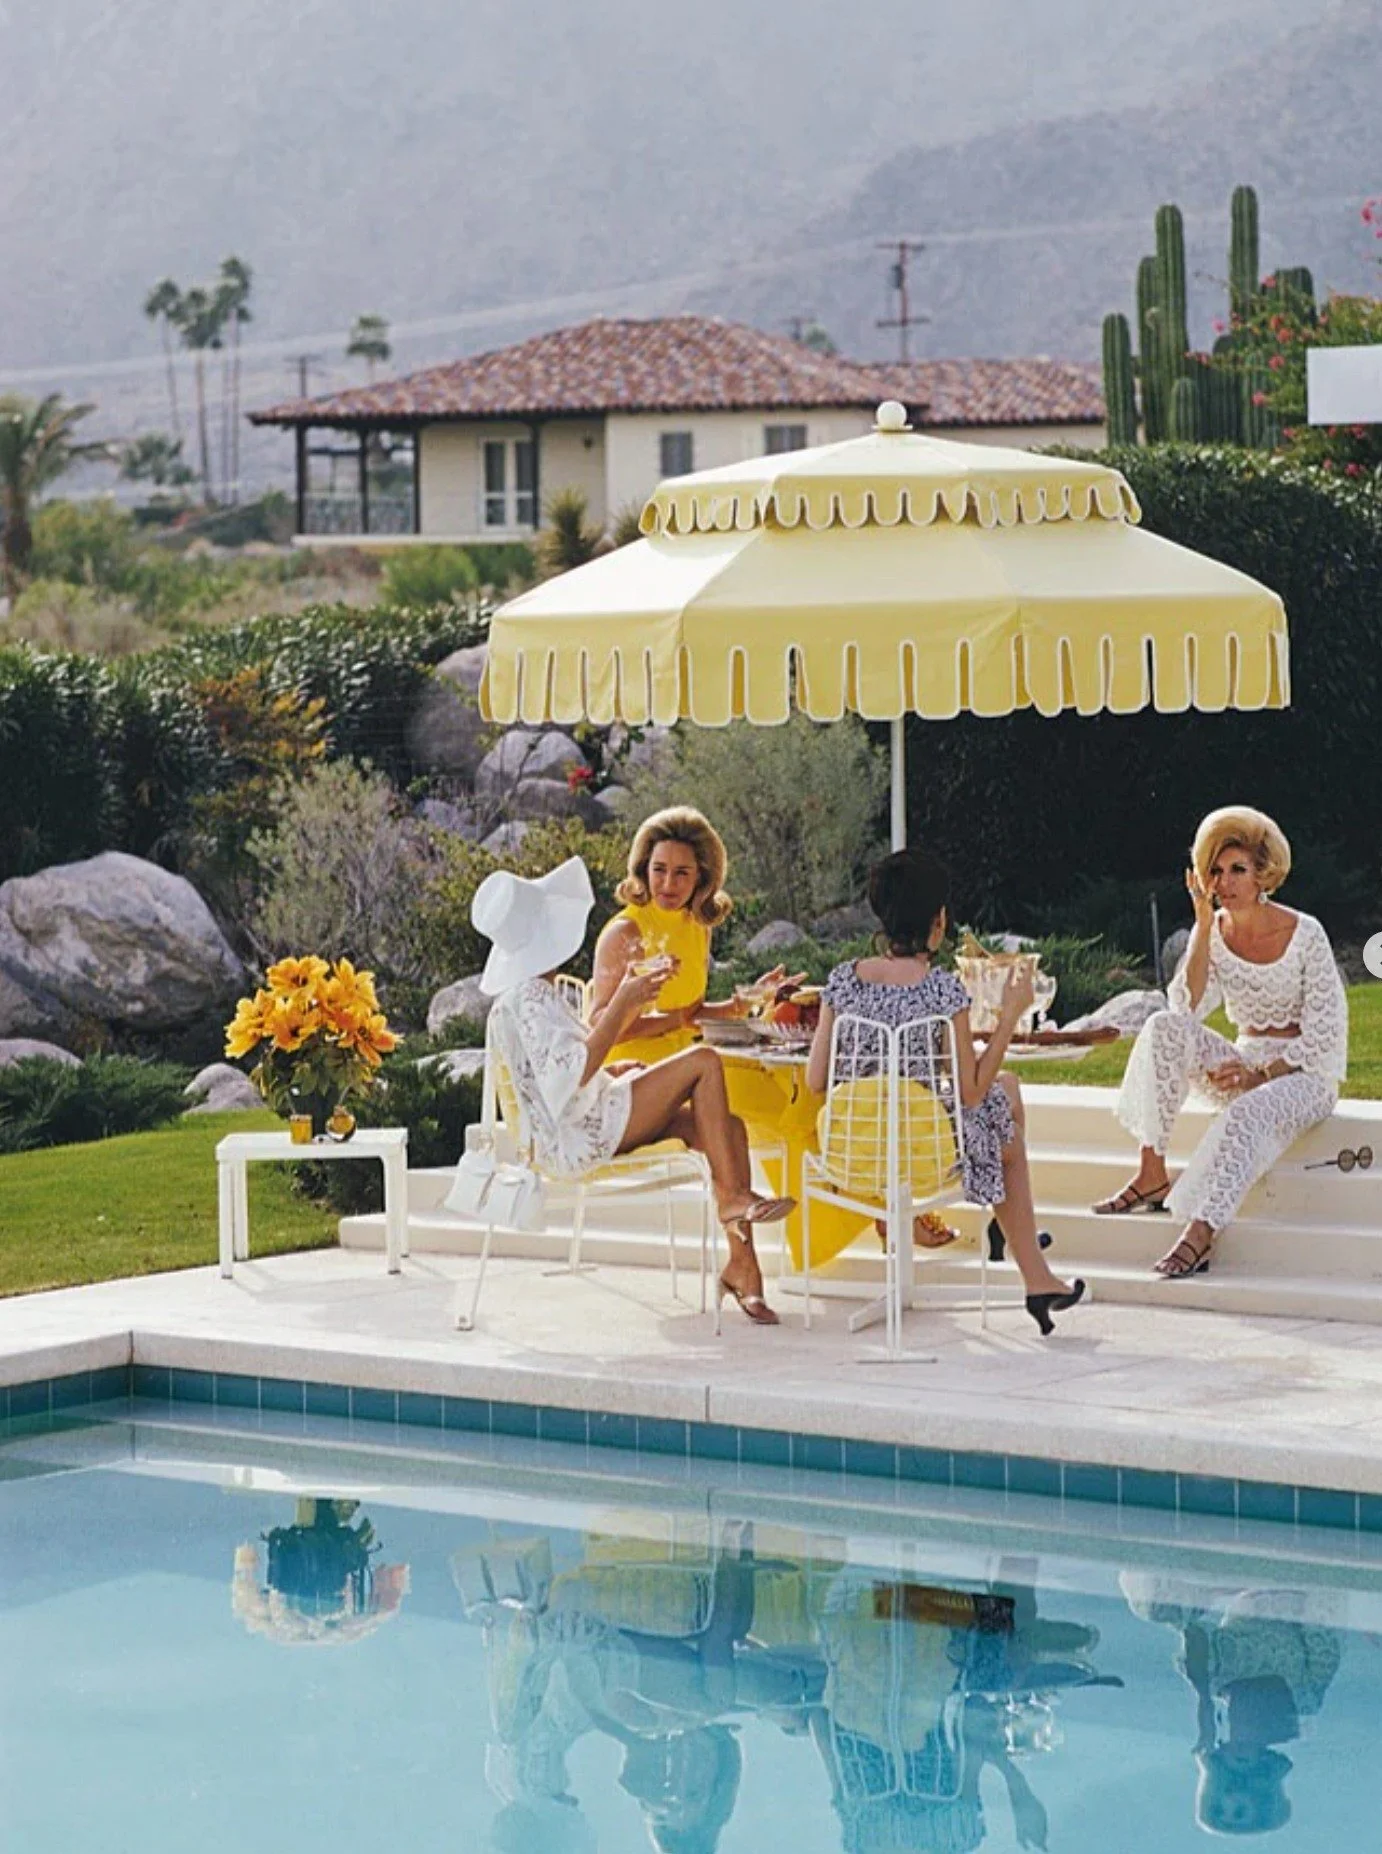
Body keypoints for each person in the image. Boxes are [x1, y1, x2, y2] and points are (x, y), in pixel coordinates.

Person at [472, 855, 792, 1324]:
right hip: (575, 1138)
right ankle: (731, 1203)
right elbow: (568, 1077)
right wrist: (624, 1000)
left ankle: (743, 1267)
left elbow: (560, 1076)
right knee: (704, 1061)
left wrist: (616, 1073)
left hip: (588, 1116)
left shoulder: (530, 994)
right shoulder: (529, 999)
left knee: (729, 1128)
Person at [805, 848, 1084, 1335]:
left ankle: (1015, 1235)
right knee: (1002, 1123)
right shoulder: (940, 989)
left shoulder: (842, 981)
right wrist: (1009, 1016)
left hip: (849, 1149)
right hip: (919, 1153)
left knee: (1006, 1093)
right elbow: (970, 1092)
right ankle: (1029, 1264)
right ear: (939, 922)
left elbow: (814, 1080)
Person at [1094, 806, 1348, 1279]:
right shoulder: (1213, 930)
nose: (1225, 882)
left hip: (1303, 1077)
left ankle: (1201, 1233)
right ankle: (1152, 1172)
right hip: (1242, 1062)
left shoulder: (1304, 933)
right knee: (1163, 1027)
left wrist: (1260, 1075)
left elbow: (1326, 1037)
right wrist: (1204, 929)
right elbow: (1184, 1008)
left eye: (1237, 870)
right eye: (1216, 871)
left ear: (1262, 875)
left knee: (1245, 1111)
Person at [588, 806, 801, 1066]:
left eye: (681, 873)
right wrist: (672, 1021)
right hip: (629, 1074)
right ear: (644, 869)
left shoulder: (698, 925)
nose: (668, 884)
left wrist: (746, 1001)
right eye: (659, 870)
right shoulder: (625, 932)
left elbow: (693, 1014)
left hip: (686, 1066)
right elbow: (599, 1023)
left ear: (701, 875)